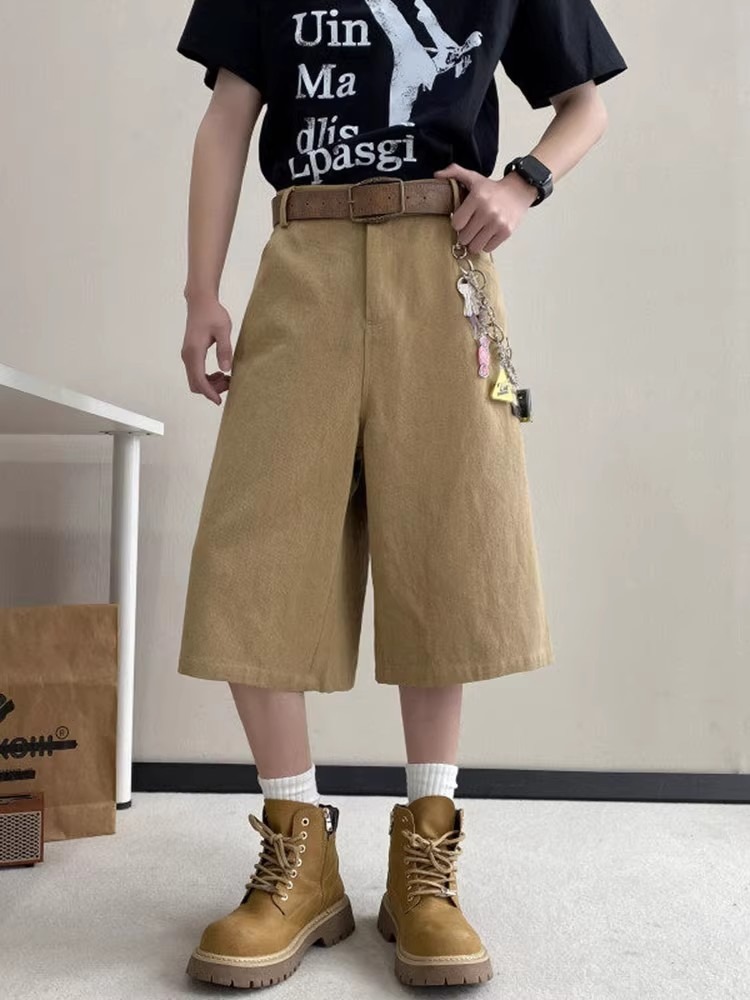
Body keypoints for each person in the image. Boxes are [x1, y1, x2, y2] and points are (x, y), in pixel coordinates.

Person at [175, 0, 626, 990]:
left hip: (442, 261)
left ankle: (427, 861)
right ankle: (299, 850)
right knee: (256, 551)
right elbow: (227, 115)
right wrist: (202, 291)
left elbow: (584, 102)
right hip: (305, 259)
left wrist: (524, 182)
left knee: (445, 541)